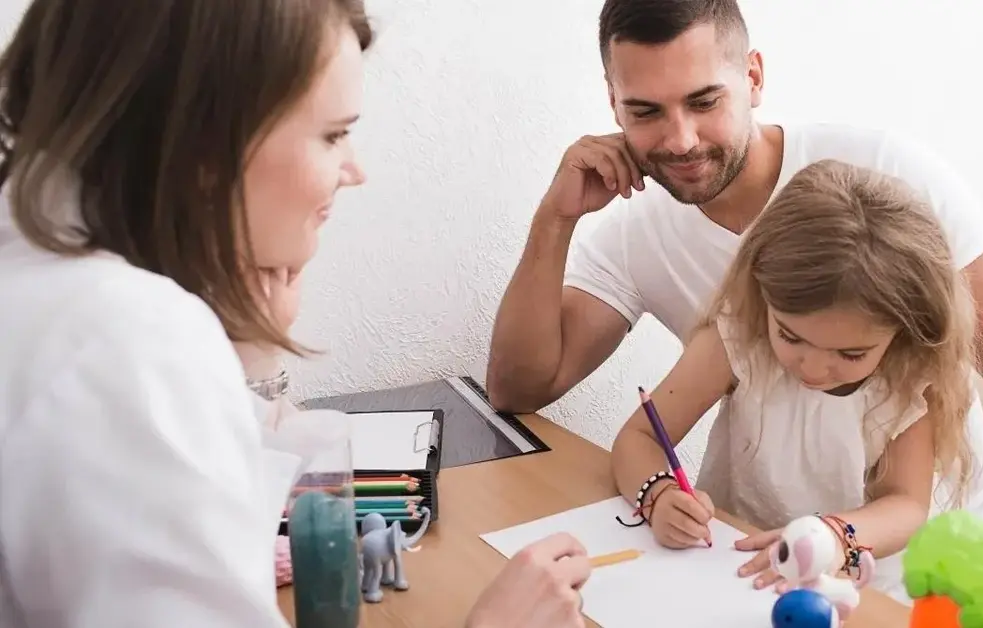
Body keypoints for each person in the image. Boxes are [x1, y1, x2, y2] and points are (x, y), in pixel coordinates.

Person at [0, 2, 589, 627]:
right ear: (208, 140)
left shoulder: (44, 270)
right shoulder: (128, 340)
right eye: (333, 134)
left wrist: (244, 354)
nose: (354, 169)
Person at [486, 0, 983, 565]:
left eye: (705, 101)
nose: (680, 139)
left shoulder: (888, 180)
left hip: (939, 559)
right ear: (613, 102)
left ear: (753, 77)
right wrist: (555, 218)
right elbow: (519, 390)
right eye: (645, 111)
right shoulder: (647, 243)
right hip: (759, 555)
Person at [610, 158, 983, 603]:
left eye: (851, 353)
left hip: (856, 590)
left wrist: (834, 537)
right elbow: (640, 437)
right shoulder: (739, 336)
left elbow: (906, 506)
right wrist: (658, 494)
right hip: (735, 566)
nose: (814, 369)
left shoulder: (907, 376)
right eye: (790, 336)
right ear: (762, 294)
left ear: (904, 332)